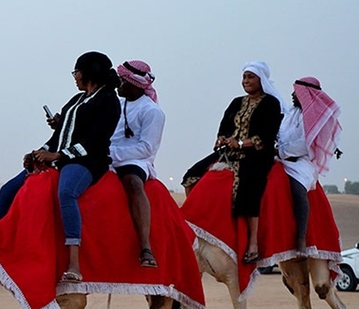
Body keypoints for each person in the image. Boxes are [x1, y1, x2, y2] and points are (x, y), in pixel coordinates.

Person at [0, 51, 121, 282]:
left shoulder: (108, 101)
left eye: (76, 71)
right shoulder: (76, 100)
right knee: (9, 189)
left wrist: (58, 155)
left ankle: (74, 264)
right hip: (61, 157)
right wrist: (38, 153)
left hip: (87, 161)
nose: (74, 76)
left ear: (87, 72)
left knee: (66, 193)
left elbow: (96, 142)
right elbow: (60, 136)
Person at [181, 61, 284, 264]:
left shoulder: (271, 103)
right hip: (228, 152)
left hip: (255, 154)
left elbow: (266, 136)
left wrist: (240, 143)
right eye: (244, 77)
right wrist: (222, 138)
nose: (245, 81)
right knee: (190, 176)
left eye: (250, 77)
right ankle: (199, 227)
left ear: (261, 79)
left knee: (248, 188)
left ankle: (253, 243)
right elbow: (225, 125)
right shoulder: (236, 102)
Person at [277, 76, 342, 252]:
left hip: (302, 163)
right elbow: (281, 133)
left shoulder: (315, 117)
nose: (292, 95)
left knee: (297, 189)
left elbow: (305, 144)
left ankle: (301, 237)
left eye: (296, 92)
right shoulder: (291, 113)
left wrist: (280, 151)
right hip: (281, 158)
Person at [110, 60, 165, 268]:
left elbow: (146, 148)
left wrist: (113, 154)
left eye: (122, 81)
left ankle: (145, 246)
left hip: (136, 160)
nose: (118, 85)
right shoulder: (117, 103)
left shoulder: (152, 111)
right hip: (107, 156)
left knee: (133, 182)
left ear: (135, 84)